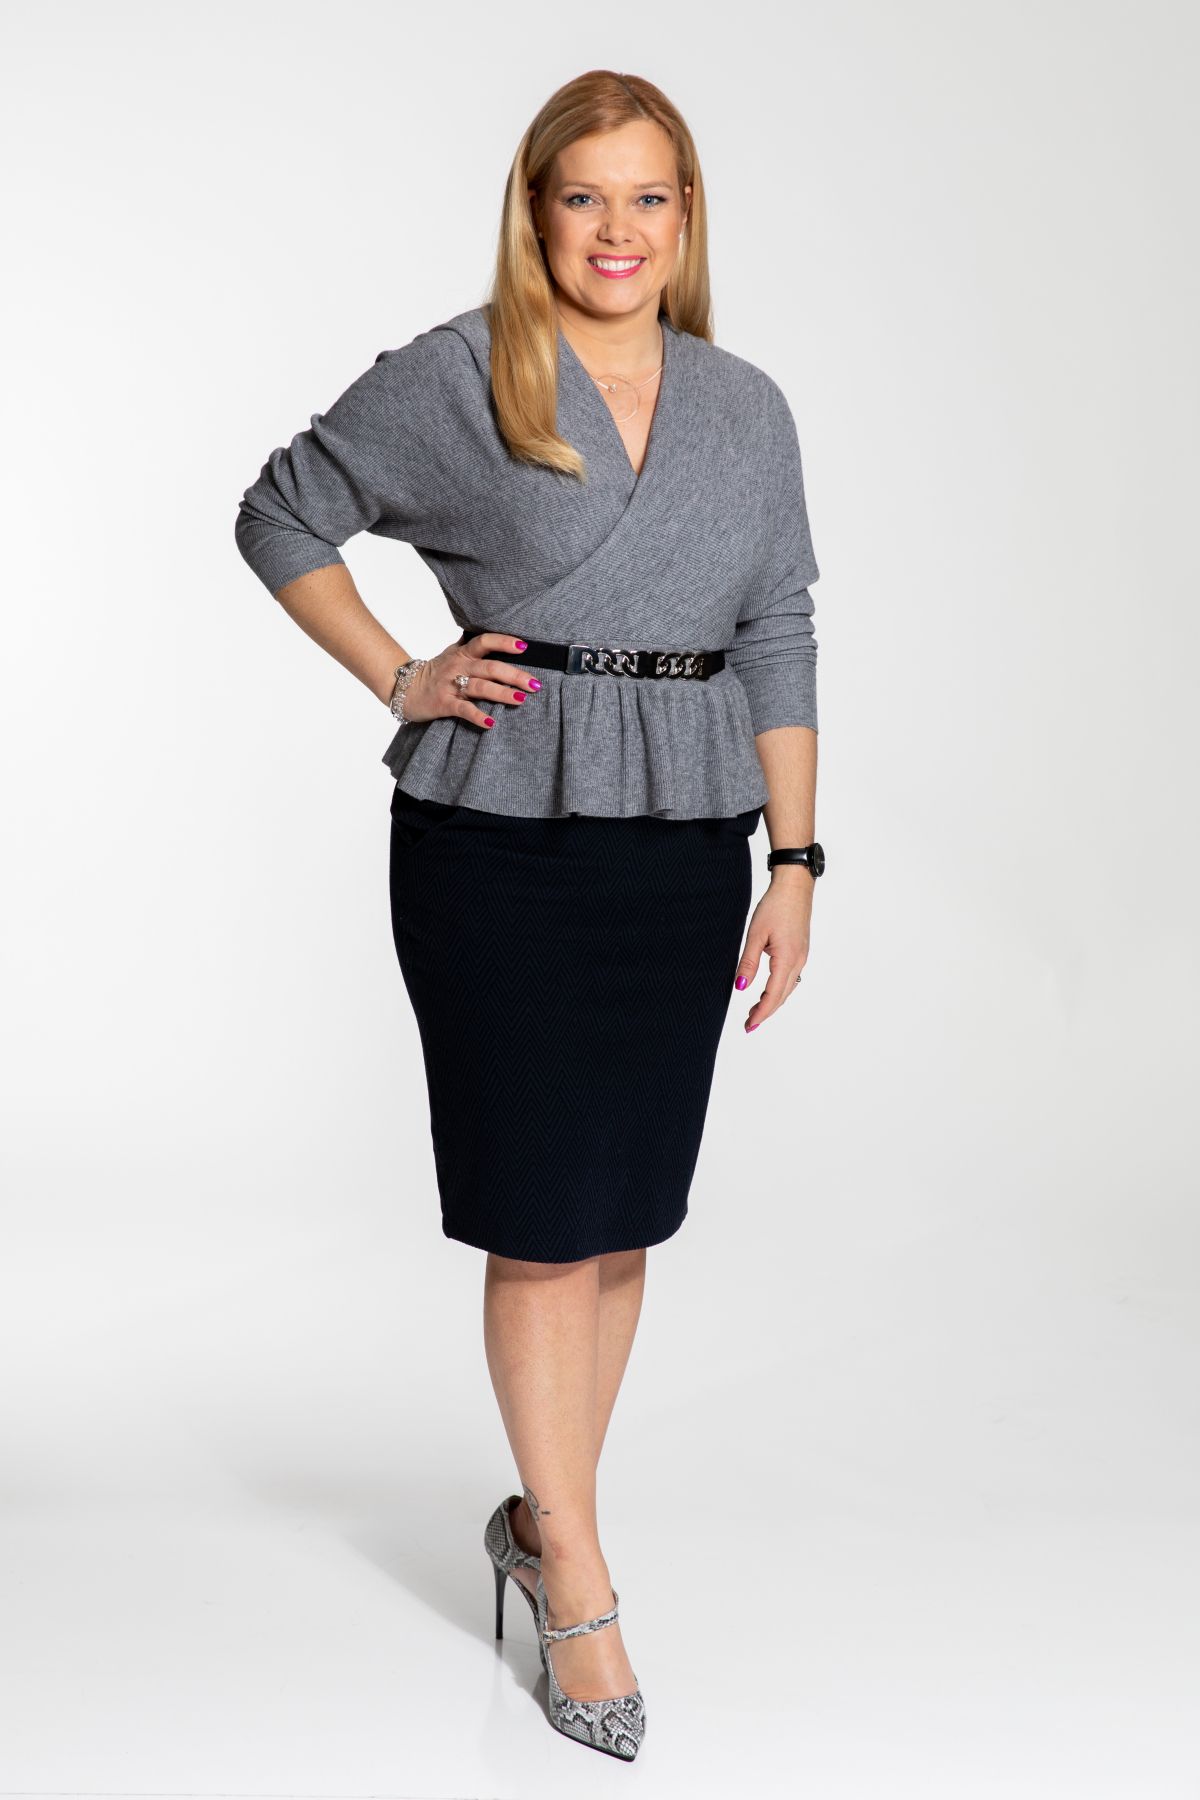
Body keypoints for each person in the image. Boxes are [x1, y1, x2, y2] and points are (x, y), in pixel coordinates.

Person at [234, 67, 825, 1763]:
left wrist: (796, 861)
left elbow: (778, 626)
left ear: (687, 218)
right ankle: (576, 1580)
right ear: (536, 212)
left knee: (622, 1222)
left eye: (650, 197)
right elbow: (281, 511)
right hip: (502, 838)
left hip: (685, 839)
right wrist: (402, 672)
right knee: (545, 1223)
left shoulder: (746, 407)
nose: (617, 230)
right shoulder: (463, 371)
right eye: (585, 197)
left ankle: (545, 1516)